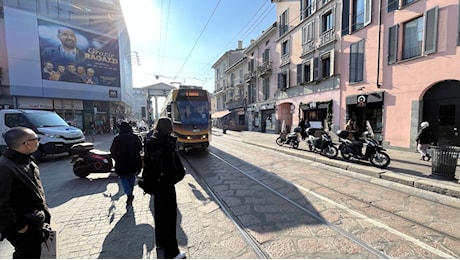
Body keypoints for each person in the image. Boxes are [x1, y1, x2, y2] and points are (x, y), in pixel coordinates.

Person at [0, 127, 51, 258]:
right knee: (26, 254)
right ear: (27, 144)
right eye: (36, 139)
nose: (38, 141)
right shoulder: (4, 167)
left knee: (38, 252)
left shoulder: (28, 159)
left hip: (36, 221)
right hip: (22, 227)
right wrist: (19, 226)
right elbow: (1, 203)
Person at [145, 117, 185, 259]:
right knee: (170, 218)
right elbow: (171, 168)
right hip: (166, 185)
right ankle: (172, 253)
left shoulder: (151, 140)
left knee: (160, 215)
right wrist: (177, 176)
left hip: (155, 184)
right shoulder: (167, 143)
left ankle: (160, 242)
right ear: (169, 128)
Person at [110, 121, 143, 206]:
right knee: (132, 176)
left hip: (121, 163)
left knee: (123, 178)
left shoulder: (117, 138)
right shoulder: (135, 137)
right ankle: (130, 193)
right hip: (134, 161)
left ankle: (129, 194)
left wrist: (117, 159)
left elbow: (112, 151)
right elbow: (140, 148)